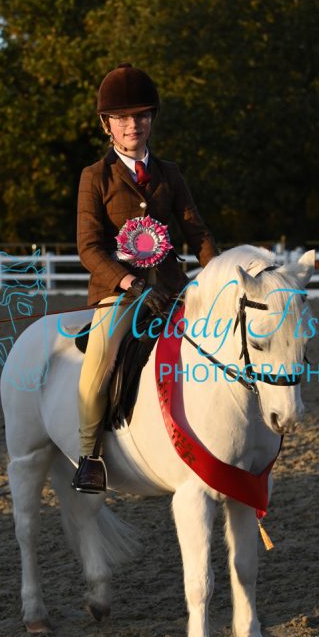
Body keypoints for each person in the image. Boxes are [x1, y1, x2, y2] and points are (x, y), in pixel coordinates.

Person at [72, 63, 218, 492]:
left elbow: (196, 232)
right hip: (120, 293)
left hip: (172, 288)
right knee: (98, 366)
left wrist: (219, 276)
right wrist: (129, 284)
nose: (132, 125)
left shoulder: (169, 173)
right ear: (107, 125)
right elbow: (88, 247)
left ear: (151, 118)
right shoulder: (95, 177)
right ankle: (90, 456)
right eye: (122, 118)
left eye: (140, 116)